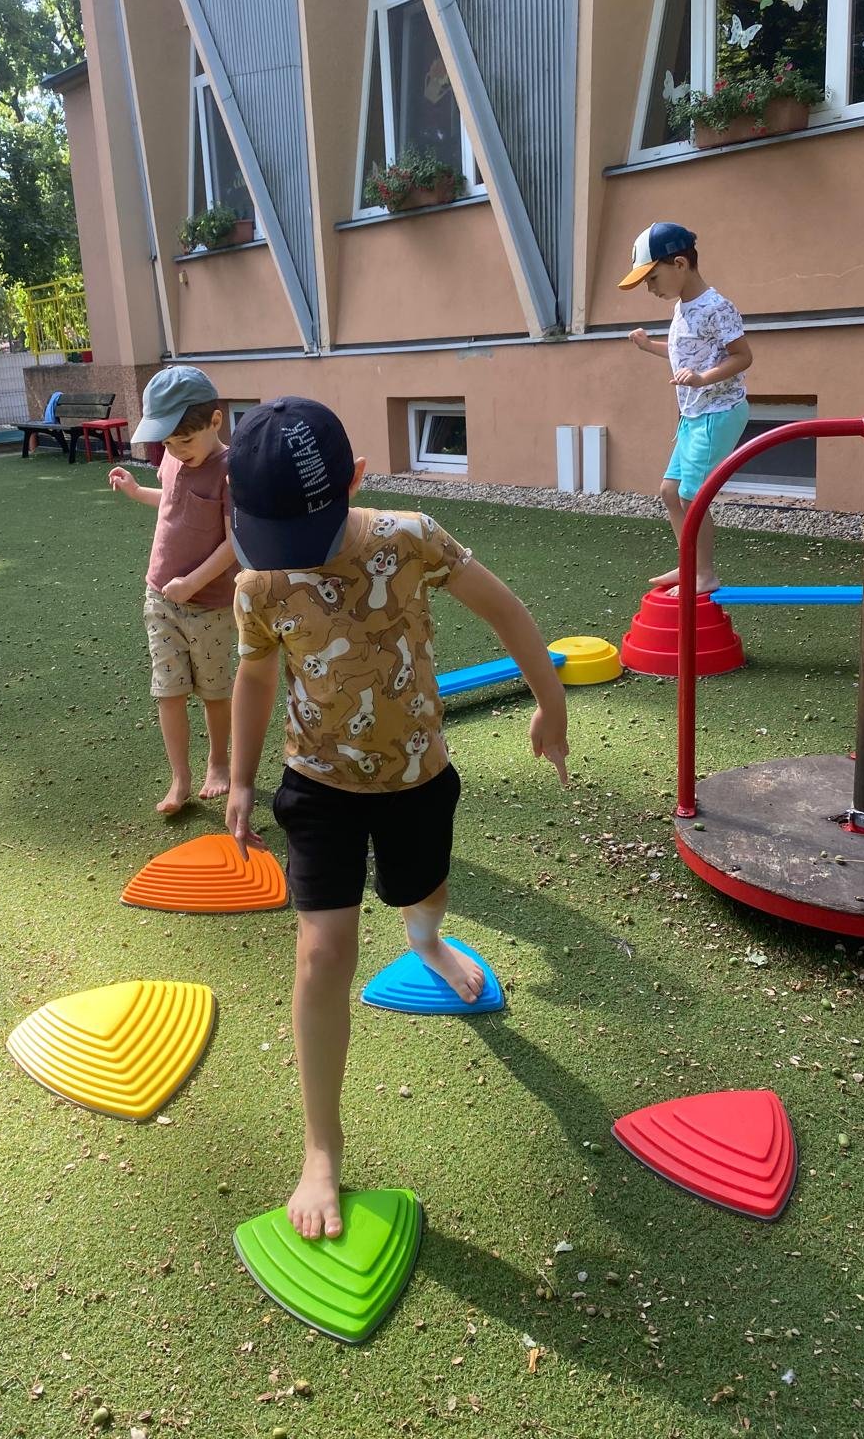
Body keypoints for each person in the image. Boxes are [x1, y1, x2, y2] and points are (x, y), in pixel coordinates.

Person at [223, 397, 569, 1240]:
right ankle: (321, 1148)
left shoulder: (411, 538)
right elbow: (257, 678)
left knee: (426, 892)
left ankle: (426, 939)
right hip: (318, 785)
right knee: (322, 955)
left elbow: (505, 610)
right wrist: (236, 779)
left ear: (355, 480)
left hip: (418, 777)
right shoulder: (259, 580)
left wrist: (551, 702)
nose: (296, 556)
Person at [109, 365, 239, 815]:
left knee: (215, 691)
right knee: (168, 690)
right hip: (159, 598)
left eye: (185, 441)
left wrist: (193, 583)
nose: (177, 452)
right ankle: (180, 778)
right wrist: (136, 492)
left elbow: (234, 543)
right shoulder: (173, 458)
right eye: (167, 444)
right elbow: (169, 500)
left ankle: (218, 764)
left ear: (215, 421)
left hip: (210, 607)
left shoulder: (229, 471)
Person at [621, 222, 753, 594]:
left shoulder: (716, 307)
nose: (650, 288)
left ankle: (704, 574)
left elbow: (742, 356)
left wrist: (702, 378)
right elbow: (685, 352)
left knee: (690, 496)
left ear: (679, 264)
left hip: (718, 412)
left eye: (652, 278)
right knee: (669, 491)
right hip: (694, 414)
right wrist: (650, 346)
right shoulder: (682, 307)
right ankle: (689, 564)